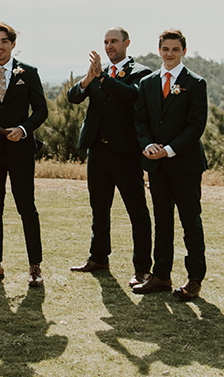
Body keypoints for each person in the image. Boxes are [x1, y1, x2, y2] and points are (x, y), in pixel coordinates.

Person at [67, 27, 153, 287]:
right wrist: (87, 78)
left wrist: (103, 77)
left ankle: (141, 268)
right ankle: (98, 257)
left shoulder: (141, 73)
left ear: (127, 43)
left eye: (114, 41)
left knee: (136, 211)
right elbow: (74, 97)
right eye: (106, 42)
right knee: (99, 208)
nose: (109, 46)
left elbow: (132, 96)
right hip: (98, 150)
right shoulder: (96, 74)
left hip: (125, 152)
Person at [132, 30, 208, 301]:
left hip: (185, 164)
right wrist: (148, 145)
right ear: (159, 50)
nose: (170, 53)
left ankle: (195, 278)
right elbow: (140, 121)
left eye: (175, 49)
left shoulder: (195, 83)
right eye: (165, 49)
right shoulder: (148, 82)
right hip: (156, 165)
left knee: (190, 221)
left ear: (183, 51)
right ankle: (161, 275)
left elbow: (196, 125)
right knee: (162, 220)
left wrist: (169, 150)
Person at [0, 22, 47, 288]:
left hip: (21, 152)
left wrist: (24, 129)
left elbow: (41, 110)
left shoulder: (29, 72)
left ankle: (35, 267)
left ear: (13, 44)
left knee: (27, 208)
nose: (0, 46)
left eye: (5, 41)